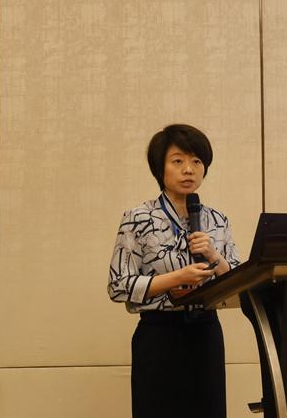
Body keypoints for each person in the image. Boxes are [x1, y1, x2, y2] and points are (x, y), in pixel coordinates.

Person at [107, 124, 240, 418]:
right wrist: (176, 279)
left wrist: (214, 255)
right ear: (160, 168)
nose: (188, 170)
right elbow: (118, 285)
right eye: (177, 161)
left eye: (197, 161)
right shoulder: (138, 218)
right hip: (159, 336)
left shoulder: (218, 220)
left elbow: (237, 281)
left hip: (206, 333)